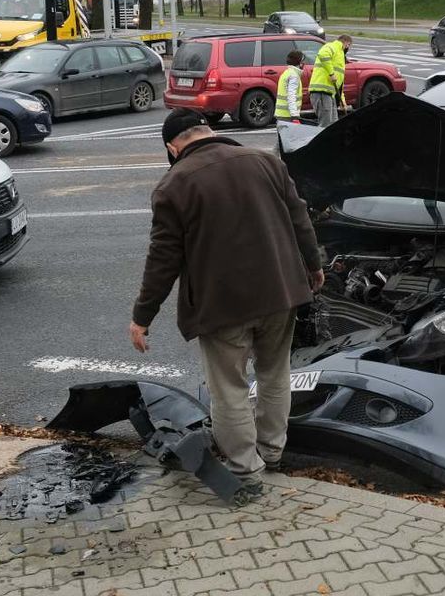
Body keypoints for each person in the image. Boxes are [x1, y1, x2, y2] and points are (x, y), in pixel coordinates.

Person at [128, 109, 324, 485]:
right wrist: (314, 267)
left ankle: (247, 469)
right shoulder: (266, 162)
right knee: (274, 374)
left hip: (222, 306)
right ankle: (272, 452)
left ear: (172, 147)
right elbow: (301, 219)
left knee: (229, 387)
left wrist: (143, 316)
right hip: (281, 292)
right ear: (209, 131)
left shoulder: (174, 185)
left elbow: (163, 260)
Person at [308, 34, 351, 127]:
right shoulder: (333, 46)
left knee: (333, 124)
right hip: (321, 92)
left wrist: (342, 101)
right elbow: (322, 54)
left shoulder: (340, 55)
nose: (348, 48)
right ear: (346, 43)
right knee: (325, 124)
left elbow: (340, 83)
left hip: (329, 94)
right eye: (348, 46)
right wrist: (331, 73)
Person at [274, 49, 303, 125]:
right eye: (302, 61)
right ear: (299, 63)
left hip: (281, 114)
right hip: (288, 116)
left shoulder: (287, 73)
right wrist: (295, 116)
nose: (304, 63)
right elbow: (291, 96)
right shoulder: (294, 76)